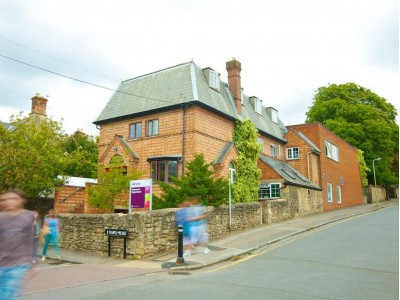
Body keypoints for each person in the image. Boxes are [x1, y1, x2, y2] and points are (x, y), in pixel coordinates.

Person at [0, 189, 35, 300]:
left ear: (22, 200)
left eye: (14, 198)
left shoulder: (29, 217)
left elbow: (31, 241)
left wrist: (32, 264)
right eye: (6, 199)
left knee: (6, 296)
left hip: (17, 265)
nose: (10, 201)